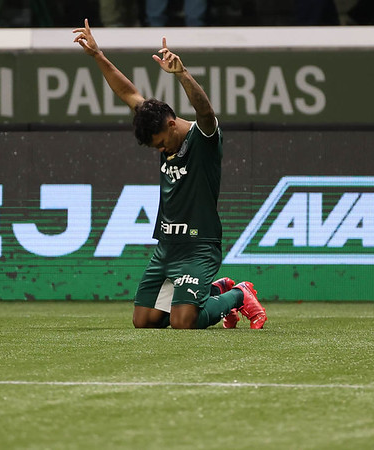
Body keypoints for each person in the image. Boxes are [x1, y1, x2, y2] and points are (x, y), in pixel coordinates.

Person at [72, 19, 267, 329]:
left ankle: (238, 294)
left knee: (184, 321)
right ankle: (217, 289)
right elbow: (129, 93)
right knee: (143, 320)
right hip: (167, 246)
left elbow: (205, 111)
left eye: (162, 143)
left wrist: (182, 74)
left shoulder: (203, 138)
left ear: (172, 125)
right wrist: (97, 55)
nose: (161, 150)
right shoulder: (156, 122)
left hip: (199, 246)